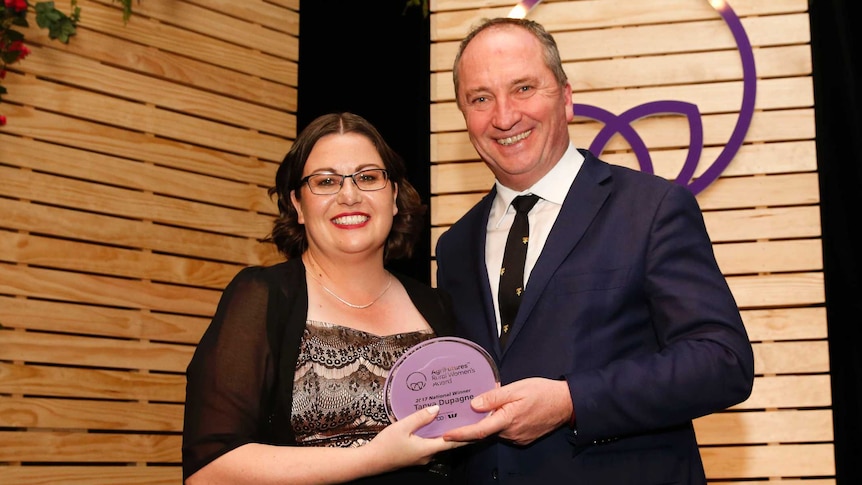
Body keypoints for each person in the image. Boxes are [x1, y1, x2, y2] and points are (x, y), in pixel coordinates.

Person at [435, 17, 755, 484]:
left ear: (565, 98)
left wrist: (572, 401)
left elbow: (721, 361)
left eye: (523, 88)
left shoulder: (652, 209)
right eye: (480, 98)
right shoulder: (454, 245)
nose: (504, 116)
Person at [183, 112, 466, 484]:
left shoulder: (437, 307)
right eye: (326, 181)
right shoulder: (263, 298)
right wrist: (372, 458)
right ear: (298, 205)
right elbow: (209, 472)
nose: (349, 195)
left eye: (367, 177)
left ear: (394, 196)